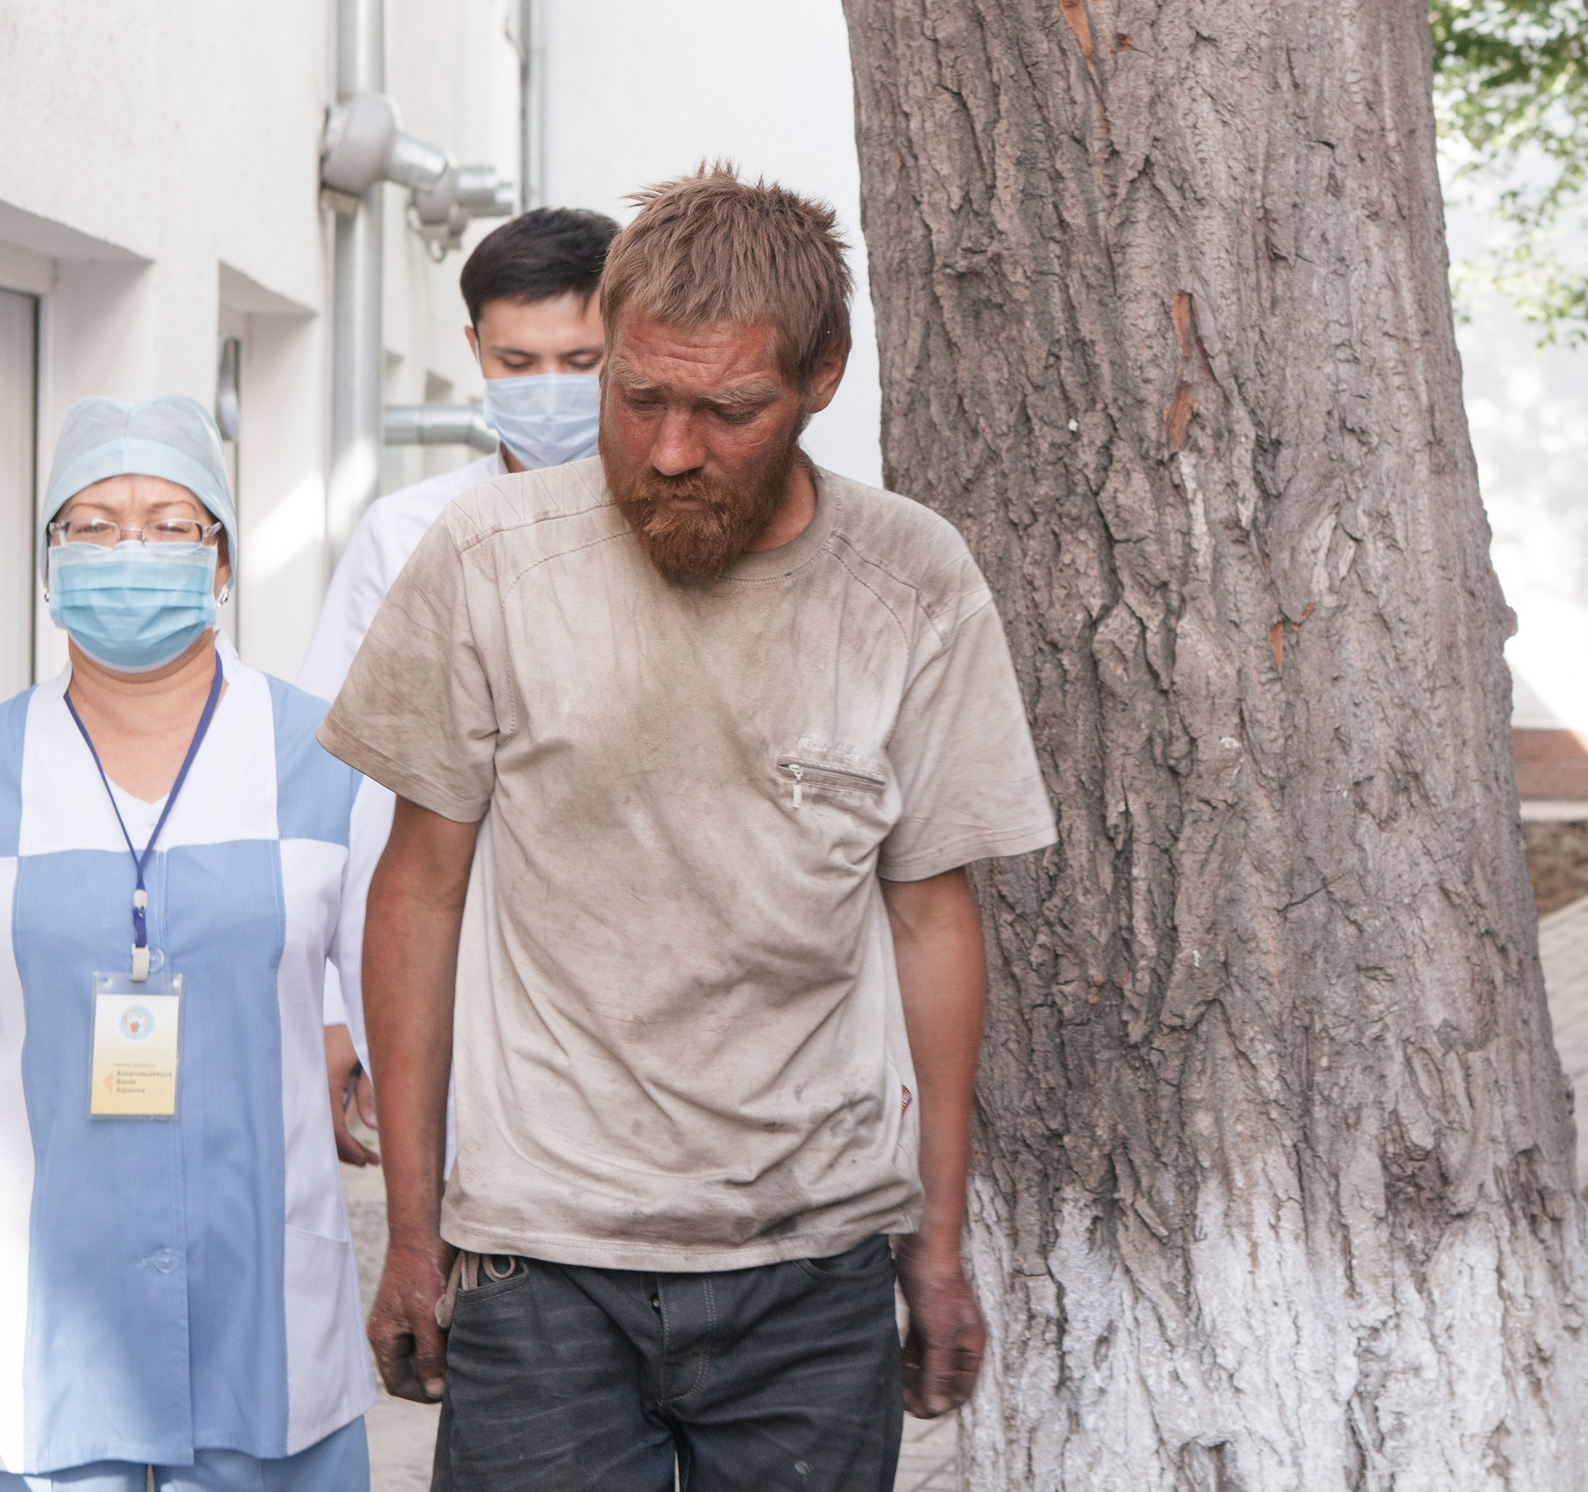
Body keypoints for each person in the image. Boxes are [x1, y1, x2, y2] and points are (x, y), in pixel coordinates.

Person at [318, 165, 1059, 1490]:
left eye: (727, 410)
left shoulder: (910, 582)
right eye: (637, 395)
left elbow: (930, 917)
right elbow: (416, 893)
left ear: (821, 378)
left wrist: (937, 1244)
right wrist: (414, 1234)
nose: (670, 450)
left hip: (813, 1264)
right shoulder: (488, 560)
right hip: (541, 1258)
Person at [0, 395, 381, 1492]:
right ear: (50, 562)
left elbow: (403, 1025)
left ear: (222, 560)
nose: (130, 552)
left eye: (170, 526)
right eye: (94, 525)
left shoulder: (328, 764)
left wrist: (434, 1226)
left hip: (269, 1336)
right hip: (37, 1360)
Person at [298, 206, 617, 1165]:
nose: (550, 388)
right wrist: (331, 1007)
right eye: (518, 363)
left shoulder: (683, 531)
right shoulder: (404, 537)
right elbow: (330, 785)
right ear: (474, 350)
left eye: (581, 361)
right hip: (444, 990)